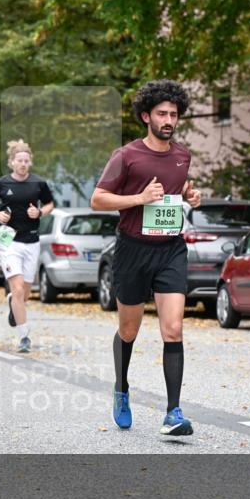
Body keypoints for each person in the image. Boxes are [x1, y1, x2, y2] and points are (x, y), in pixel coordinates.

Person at [90, 79, 202, 436]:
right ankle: (121, 389)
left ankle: (173, 412)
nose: (169, 119)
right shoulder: (127, 156)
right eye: (162, 114)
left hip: (170, 249)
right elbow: (98, 199)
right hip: (132, 250)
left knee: (173, 328)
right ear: (145, 116)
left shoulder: (184, 156)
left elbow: (178, 188)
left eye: (174, 114)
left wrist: (190, 194)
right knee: (129, 329)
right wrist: (138, 199)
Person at [0, 140, 55, 353]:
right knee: (17, 288)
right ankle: (24, 337)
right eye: (19, 160)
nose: (23, 164)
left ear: (30, 162)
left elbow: (50, 204)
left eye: (26, 160)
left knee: (25, 292)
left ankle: (14, 303)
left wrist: (40, 212)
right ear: (11, 162)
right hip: (9, 241)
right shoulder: (1, 184)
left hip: (31, 241)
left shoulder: (39, 184)